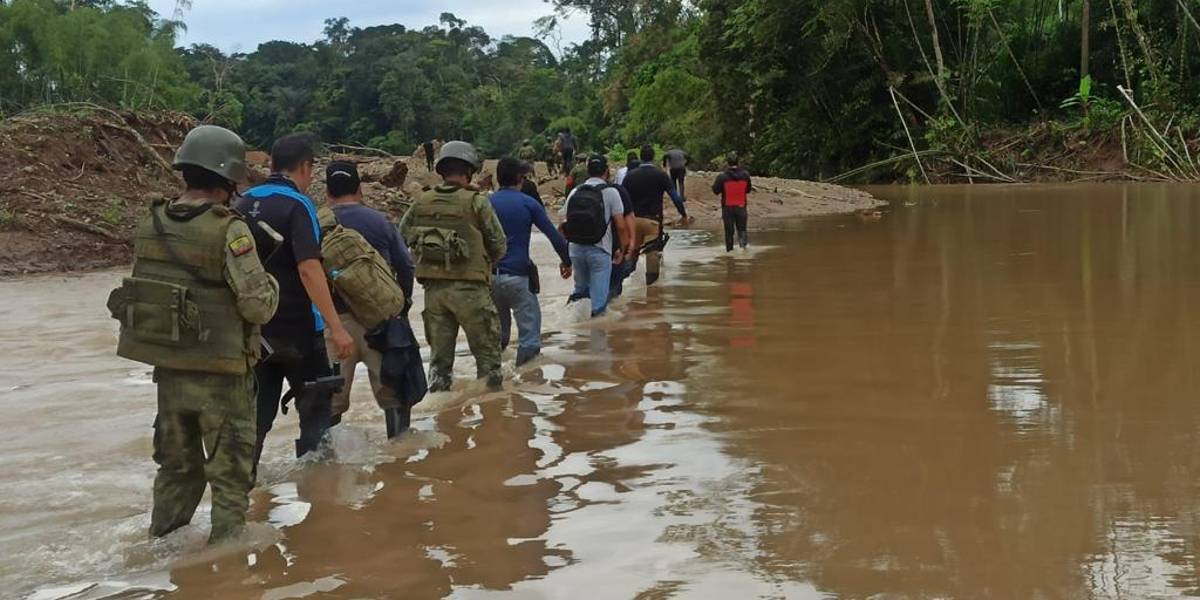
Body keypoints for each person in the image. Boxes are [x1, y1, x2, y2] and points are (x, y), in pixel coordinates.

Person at [108, 125, 279, 543]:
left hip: (169, 372)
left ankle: (159, 555)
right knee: (230, 475)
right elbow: (259, 306)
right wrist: (271, 280)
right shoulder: (229, 229)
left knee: (176, 470)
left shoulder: (152, 222)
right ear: (229, 179)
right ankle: (225, 564)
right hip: (221, 376)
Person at [236, 133, 354, 470]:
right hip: (300, 332)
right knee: (315, 415)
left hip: (255, 333)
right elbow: (309, 269)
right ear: (305, 167)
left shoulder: (241, 203)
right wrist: (336, 327)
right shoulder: (299, 205)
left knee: (255, 420)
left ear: (271, 164)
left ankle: (246, 488)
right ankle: (318, 493)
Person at [400, 141, 508, 392]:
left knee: (439, 366)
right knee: (489, 364)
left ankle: (441, 414)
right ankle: (494, 418)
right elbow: (499, 244)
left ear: (441, 170)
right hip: (471, 291)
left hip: (434, 293)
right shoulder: (477, 202)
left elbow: (403, 234)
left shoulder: (422, 201)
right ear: (469, 171)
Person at [322, 161, 419, 434]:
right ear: (360, 189)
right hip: (381, 325)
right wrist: (403, 305)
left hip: (336, 326)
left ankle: (321, 469)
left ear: (328, 192)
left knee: (327, 402)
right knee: (395, 398)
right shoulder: (381, 222)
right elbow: (406, 266)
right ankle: (399, 463)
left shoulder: (316, 224)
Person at [490, 157, 573, 365]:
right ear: (520, 178)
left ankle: (492, 388)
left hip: (488, 279)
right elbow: (555, 237)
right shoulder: (529, 204)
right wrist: (566, 261)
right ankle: (525, 383)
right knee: (529, 340)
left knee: (496, 340)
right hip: (518, 277)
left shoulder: (485, 203)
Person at [561, 155, 631, 317]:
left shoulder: (575, 192)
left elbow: (562, 224)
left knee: (581, 291)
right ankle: (595, 335)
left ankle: (575, 331)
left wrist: (565, 256)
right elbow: (621, 226)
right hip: (600, 250)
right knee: (599, 304)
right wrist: (622, 249)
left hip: (576, 249)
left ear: (587, 171)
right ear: (606, 172)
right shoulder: (611, 192)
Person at [621, 145, 689, 284]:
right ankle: (652, 297)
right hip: (652, 222)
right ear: (653, 158)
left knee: (631, 255)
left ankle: (622, 288)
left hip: (633, 222)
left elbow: (621, 198)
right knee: (652, 257)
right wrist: (683, 214)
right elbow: (675, 197)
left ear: (641, 157)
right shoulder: (660, 174)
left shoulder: (630, 176)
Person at [713, 154, 753, 251]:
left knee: (729, 232)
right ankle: (744, 250)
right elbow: (748, 190)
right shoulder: (745, 175)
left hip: (727, 207)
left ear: (727, 163)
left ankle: (729, 252)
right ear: (738, 162)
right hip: (741, 206)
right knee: (742, 230)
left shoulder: (722, 176)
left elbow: (715, 190)